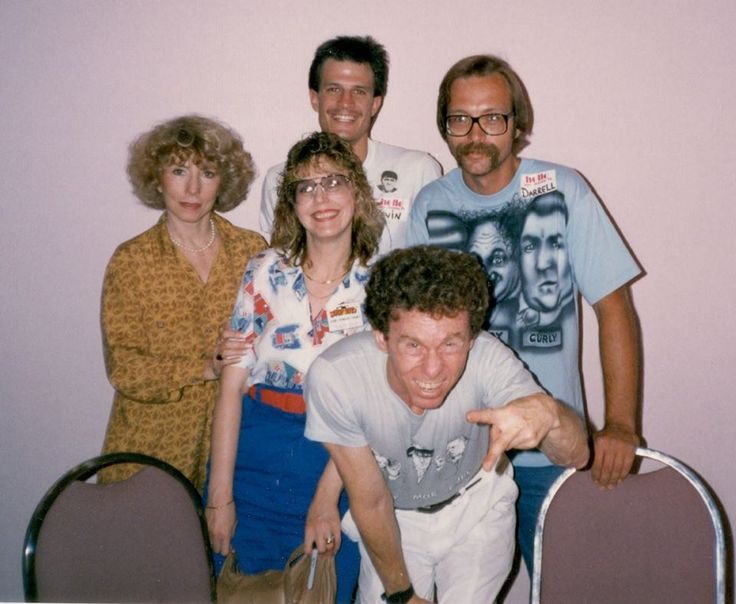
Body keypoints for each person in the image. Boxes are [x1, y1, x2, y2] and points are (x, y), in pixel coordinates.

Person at [406, 54, 643, 571]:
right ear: (445, 125)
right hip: (459, 455)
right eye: (460, 119)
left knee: (567, 585)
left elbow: (614, 308)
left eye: (493, 118)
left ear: (517, 125)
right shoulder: (429, 205)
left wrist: (621, 425)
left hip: (551, 455)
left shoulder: (564, 190)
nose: (475, 134)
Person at [304, 246, 589, 603]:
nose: (433, 369)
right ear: (381, 337)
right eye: (413, 345)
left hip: (477, 510)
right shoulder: (337, 378)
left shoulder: (489, 359)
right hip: (394, 513)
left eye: (451, 343)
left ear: (472, 337)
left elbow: (578, 456)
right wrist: (402, 594)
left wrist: (550, 415)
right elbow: (372, 501)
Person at [206, 132, 384, 603]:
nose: (321, 197)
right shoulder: (264, 270)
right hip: (253, 453)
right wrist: (219, 495)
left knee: (323, 589)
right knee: (240, 588)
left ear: (357, 193)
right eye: (306, 187)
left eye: (333, 182)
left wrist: (326, 499)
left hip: (336, 458)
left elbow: (373, 405)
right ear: (292, 203)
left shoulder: (384, 284)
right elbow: (230, 389)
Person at [99, 115, 267, 491]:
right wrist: (206, 366)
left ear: (223, 180)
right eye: (179, 170)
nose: (192, 188)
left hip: (234, 446)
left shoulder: (252, 251)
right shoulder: (131, 261)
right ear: (157, 177)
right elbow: (125, 369)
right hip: (152, 447)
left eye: (207, 173)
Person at [259, 35, 441, 253]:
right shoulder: (279, 180)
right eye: (334, 89)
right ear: (315, 98)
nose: (346, 103)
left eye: (359, 91)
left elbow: (436, 265)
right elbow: (283, 266)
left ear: (375, 104)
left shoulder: (418, 171)